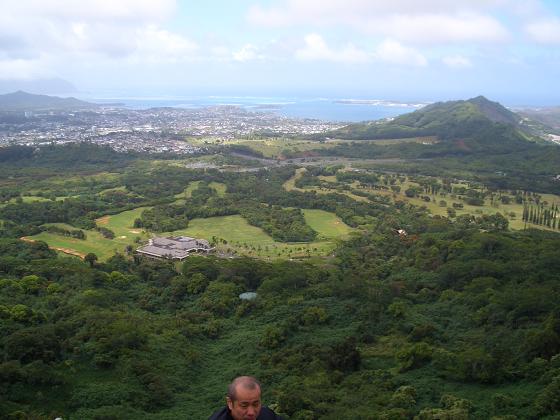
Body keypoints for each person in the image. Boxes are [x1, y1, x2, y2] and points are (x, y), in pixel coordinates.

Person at [208, 376, 283, 420]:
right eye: (244, 406)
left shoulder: (267, 415)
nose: (251, 413)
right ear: (230, 403)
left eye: (255, 404)